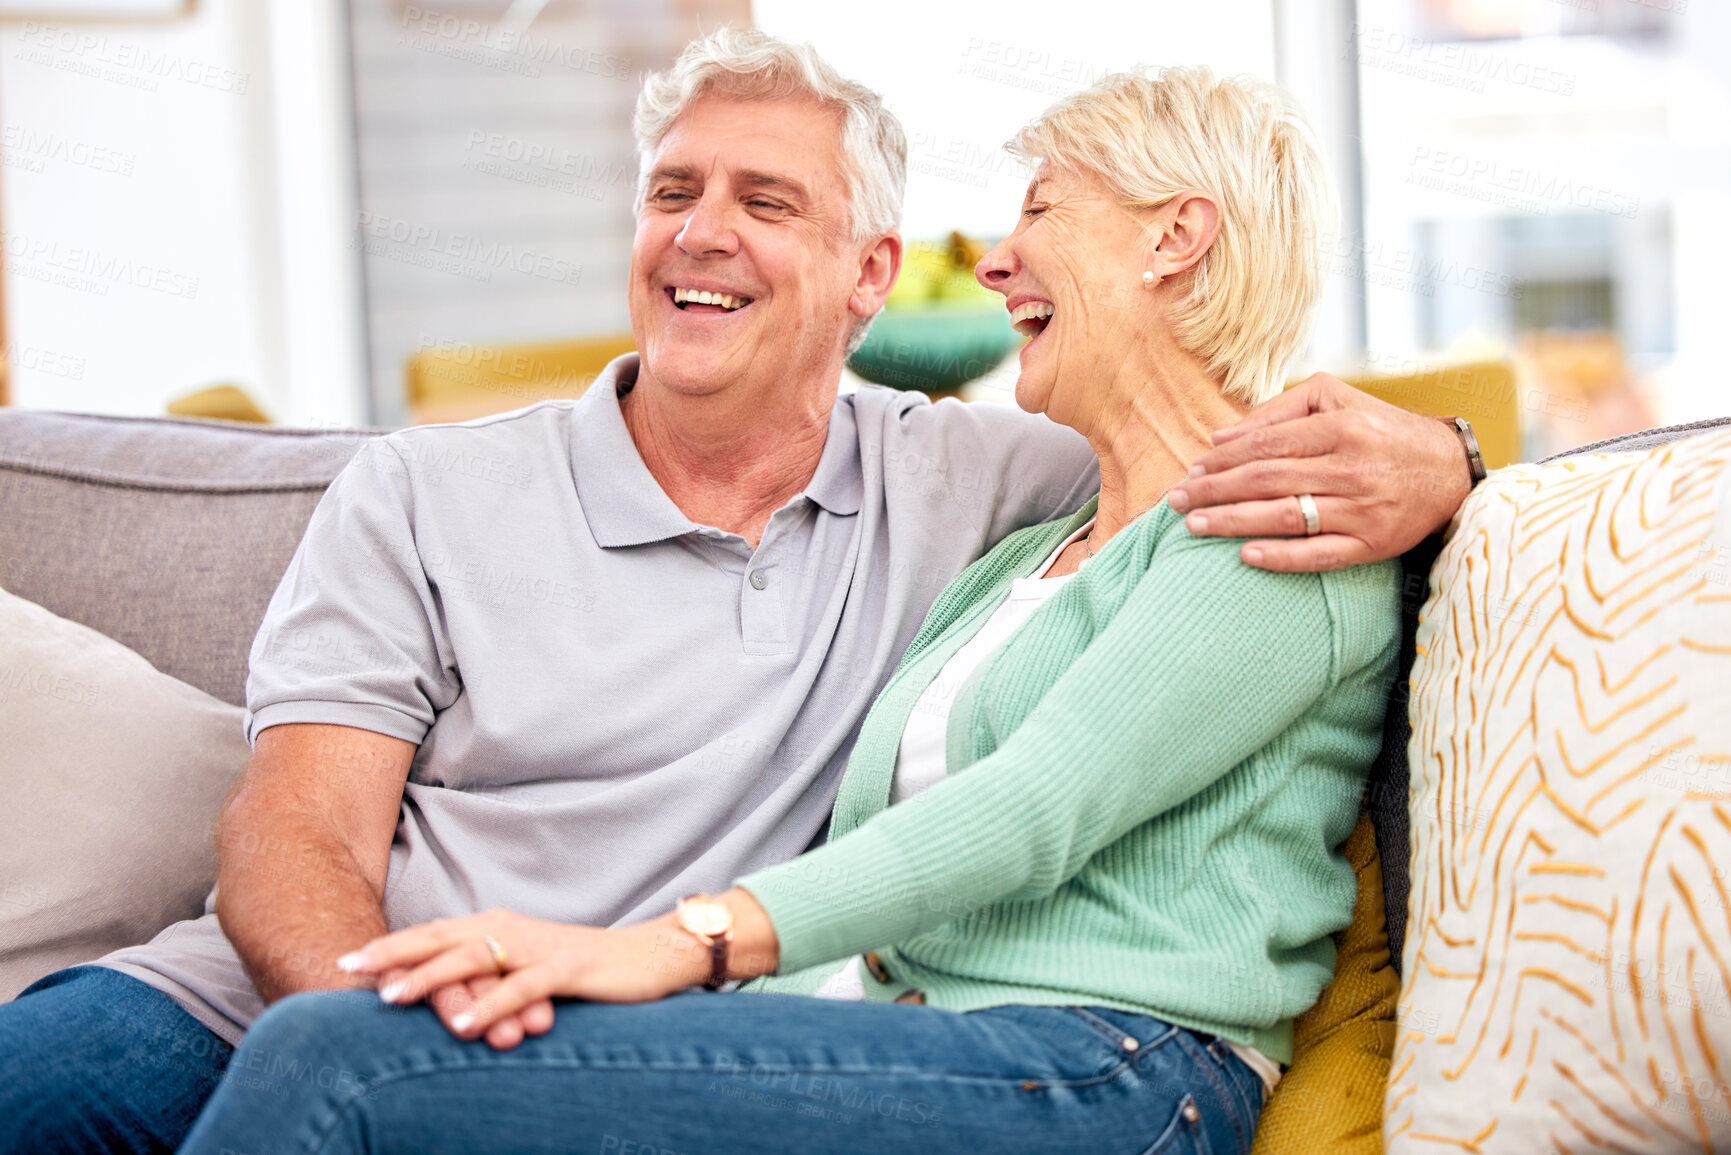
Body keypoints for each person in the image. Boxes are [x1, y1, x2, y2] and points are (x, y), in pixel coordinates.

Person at [0, 30, 1473, 1155]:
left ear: (866, 275)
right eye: (671, 194)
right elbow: (295, 823)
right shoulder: (426, 491)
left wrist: (1454, 460)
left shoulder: (999, 491)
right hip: (329, 989)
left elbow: (1047, 780)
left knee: (333, 1087)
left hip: (626, 1015)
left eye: (765, 200)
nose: (700, 232)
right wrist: (399, 1019)